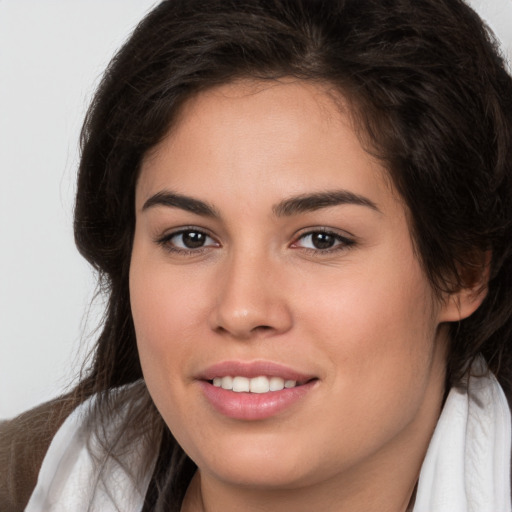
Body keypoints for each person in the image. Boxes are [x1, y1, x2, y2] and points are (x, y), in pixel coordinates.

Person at [1, 0, 512, 510]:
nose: (241, 310)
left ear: (461, 271)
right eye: (190, 238)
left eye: (321, 239)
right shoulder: (18, 479)